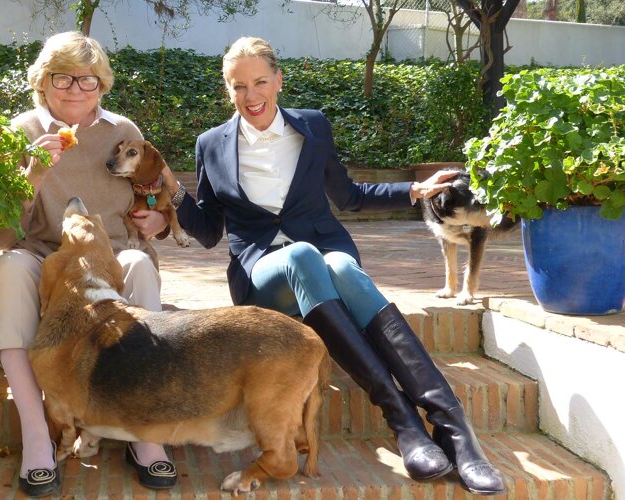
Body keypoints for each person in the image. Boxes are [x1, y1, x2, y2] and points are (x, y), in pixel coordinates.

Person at [144, 36, 506, 495]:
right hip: (261, 274)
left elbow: (348, 195)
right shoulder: (211, 144)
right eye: (239, 86)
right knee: (302, 256)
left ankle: (451, 429)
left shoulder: (313, 127)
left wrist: (413, 191)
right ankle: (402, 418)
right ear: (227, 90)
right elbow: (210, 230)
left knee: (340, 266)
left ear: (278, 80)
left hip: (325, 262)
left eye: (260, 82)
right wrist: (174, 191)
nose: (251, 95)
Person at [0, 31, 177, 497]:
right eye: (63, 77)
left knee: (139, 264)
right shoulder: (19, 132)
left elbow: (158, 192)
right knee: (9, 269)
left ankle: (145, 431)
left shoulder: (123, 131)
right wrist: (35, 173)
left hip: (112, 257)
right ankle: (37, 434)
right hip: (43, 255)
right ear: (42, 81)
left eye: (87, 79)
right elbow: (1, 234)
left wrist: (158, 222)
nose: (75, 89)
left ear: (102, 85)